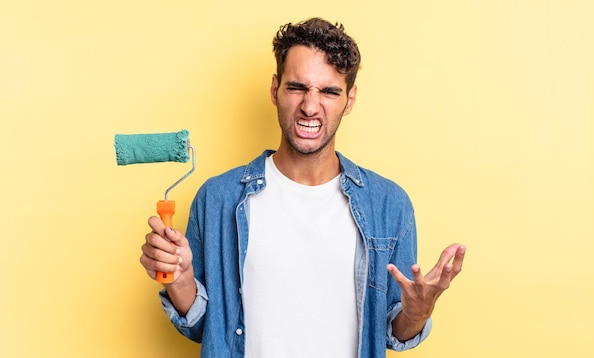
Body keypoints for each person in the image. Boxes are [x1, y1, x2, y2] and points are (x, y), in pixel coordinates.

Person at [140, 17, 466, 358]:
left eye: (328, 91)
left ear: (350, 99)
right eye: (297, 88)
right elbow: (206, 329)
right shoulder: (218, 199)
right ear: (275, 89)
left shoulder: (388, 204)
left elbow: (393, 331)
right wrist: (180, 280)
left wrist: (416, 313)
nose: (310, 106)